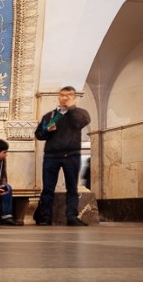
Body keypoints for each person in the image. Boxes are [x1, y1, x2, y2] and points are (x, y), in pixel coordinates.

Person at [34, 86, 91, 226]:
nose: (65, 98)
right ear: (58, 97)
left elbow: (80, 123)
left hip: (71, 155)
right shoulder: (50, 116)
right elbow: (39, 135)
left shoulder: (80, 113)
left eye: (69, 95)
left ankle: (72, 217)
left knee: (72, 188)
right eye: (62, 95)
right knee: (48, 188)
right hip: (51, 156)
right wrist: (47, 130)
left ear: (74, 98)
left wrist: (72, 109)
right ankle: (46, 217)